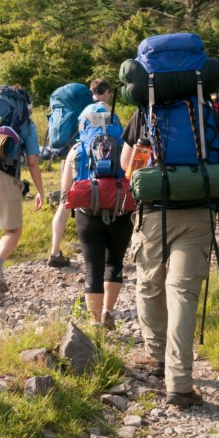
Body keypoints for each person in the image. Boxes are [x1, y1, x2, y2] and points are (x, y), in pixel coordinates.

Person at [119, 102, 219, 407]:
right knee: (183, 294)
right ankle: (181, 384)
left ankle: (157, 356)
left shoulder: (145, 114)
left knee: (149, 283)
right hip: (198, 214)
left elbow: (127, 166)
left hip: (154, 216)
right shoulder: (210, 114)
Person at [60, 103, 133, 328]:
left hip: (87, 214)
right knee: (115, 263)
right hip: (121, 210)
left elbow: (66, 190)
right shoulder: (126, 146)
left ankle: (95, 322)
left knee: (93, 268)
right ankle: (109, 312)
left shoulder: (77, 149)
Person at [0, 86, 45, 300]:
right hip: (2, 176)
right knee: (13, 231)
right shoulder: (25, 124)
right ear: (25, 106)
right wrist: (40, 190)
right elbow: (32, 161)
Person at [47, 78, 113, 268]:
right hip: (89, 160)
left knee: (64, 203)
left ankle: (54, 252)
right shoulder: (101, 110)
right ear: (107, 92)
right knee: (99, 201)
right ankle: (100, 251)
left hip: (69, 156)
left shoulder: (82, 110)